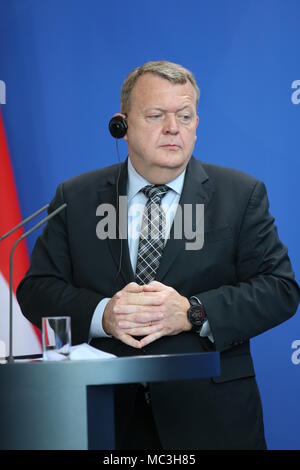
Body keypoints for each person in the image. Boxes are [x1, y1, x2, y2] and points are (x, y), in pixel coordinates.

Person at [17, 61, 299, 450]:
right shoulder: (76, 198)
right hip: (102, 420)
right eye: (156, 115)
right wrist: (104, 315)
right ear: (122, 124)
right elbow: (37, 291)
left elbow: (280, 289)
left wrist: (192, 312)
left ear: (196, 124)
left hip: (212, 421)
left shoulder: (241, 195)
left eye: (184, 116)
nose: (173, 128)